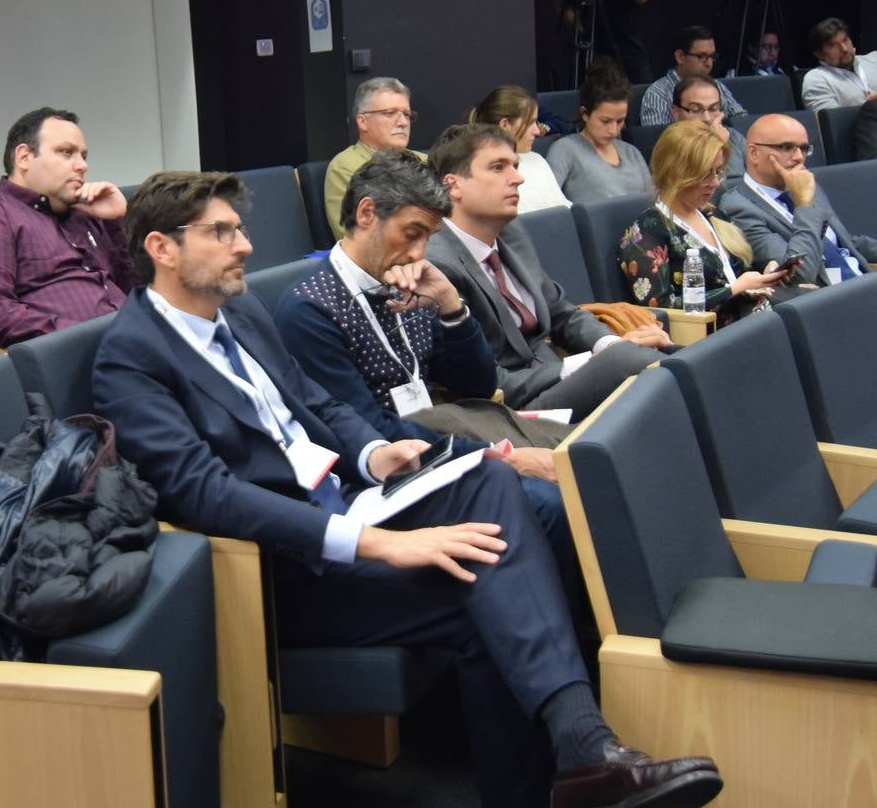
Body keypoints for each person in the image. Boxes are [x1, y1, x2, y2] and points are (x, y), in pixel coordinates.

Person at [93, 170, 722, 808]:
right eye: (221, 233)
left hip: (354, 503)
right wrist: (377, 544)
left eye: (238, 228)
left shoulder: (240, 311)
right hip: (281, 570)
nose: (245, 246)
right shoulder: (130, 356)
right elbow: (205, 496)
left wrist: (370, 455)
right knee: (488, 574)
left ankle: (567, 770)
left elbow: (314, 405)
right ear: (161, 248)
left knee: (490, 502)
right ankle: (551, 797)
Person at [271, 151, 573, 564]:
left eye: (428, 236)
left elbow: (479, 385)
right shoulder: (311, 309)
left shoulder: (409, 284)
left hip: (438, 439)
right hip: (381, 476)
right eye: (410, 232)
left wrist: (451, 305)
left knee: (578, 470)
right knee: (545, 502)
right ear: (366, 213)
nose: (418, 252)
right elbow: (364, 428)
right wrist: (498, 456)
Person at [426, 124, 669, 416]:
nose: (517, 178)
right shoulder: (437, 265)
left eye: (514, 166)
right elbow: (486, 381)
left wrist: (608, 344)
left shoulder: (513, 235)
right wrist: (590, 363)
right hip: (512, 407)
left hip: (557, 373)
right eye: (497, 168)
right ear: (453, 185)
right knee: (634, 364)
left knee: (669, 354)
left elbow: (563, 313)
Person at [0, 106, 140, 347]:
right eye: (66, 152)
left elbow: (138, 290)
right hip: (75, 358)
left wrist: (116, 222)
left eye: (83, 156)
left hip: (133, 339)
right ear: (24, 157)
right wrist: (90, 335)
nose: (82, 166)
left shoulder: (84, 214)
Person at [721, 113, 877, 287]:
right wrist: (804, 205)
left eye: (803, 148)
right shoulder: (739, 207)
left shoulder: (807, 187)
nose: (799, 157)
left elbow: (844, 243)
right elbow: (799, 273)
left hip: (864, 284)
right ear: (754, 153)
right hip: (824, 301)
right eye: (786, 147)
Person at [619, 122, 791, 310]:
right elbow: (661, 309)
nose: (715, 183)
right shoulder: (646, 231)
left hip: (750, 317)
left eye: (718, 172)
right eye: (705, 175)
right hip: (711, 332)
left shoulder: (712, 214)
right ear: (675, 173)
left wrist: (764, 275)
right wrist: (734, 289)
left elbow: (737, 275)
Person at [322, 78, 428, 237]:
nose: (403, 122)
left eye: (406, 114)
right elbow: (353, 235)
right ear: (362, 122)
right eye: (390, 113)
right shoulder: (346, 167)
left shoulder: (425, 161)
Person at [546, 65, 653, 203]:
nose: (613, 130)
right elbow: (547, 202)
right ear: (585, 114)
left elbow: (653, 202)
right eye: (605, 121)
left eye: (620, 121)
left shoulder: (631, 152)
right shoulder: (564, 150)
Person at [467, 86, 569, 212]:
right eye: (530, 123)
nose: (537, 131)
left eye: (536, 123)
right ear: (505, 125)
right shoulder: (481, 172)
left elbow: (564, 207)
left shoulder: (537, 159)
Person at [639, 27, 748, 128]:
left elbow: (741, 120)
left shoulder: (716, 85)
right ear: (680, 56)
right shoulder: (658, 94)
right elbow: (659, 141)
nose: (709, 63)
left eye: (712, 57)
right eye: (701, 56)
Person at [801, 18, 877, 111]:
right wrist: (867, 110)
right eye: (833, 45)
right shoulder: (816, 80)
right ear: (819, 54)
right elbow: (832, 125)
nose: (844, 49)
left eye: (845, 40)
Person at [669, 74, 747, 175]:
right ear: (676, 112)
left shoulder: (733, 136)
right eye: (695, 109)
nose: (707, 118)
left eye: (713, 108)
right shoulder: (670, 144)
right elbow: (691, 185)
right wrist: (716, 143)